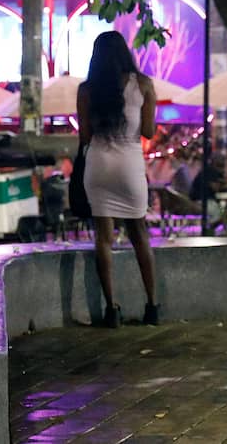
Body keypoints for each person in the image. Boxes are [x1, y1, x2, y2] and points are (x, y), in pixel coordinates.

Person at [77, 31, 159, 328]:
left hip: (98, 164)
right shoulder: (143, 85)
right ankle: (152, 306)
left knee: (103, 238)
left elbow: (84, 135)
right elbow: (148, 131)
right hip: (129, 164)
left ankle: (111, 309)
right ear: (125, 53)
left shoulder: (87, 90)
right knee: (139, 235)